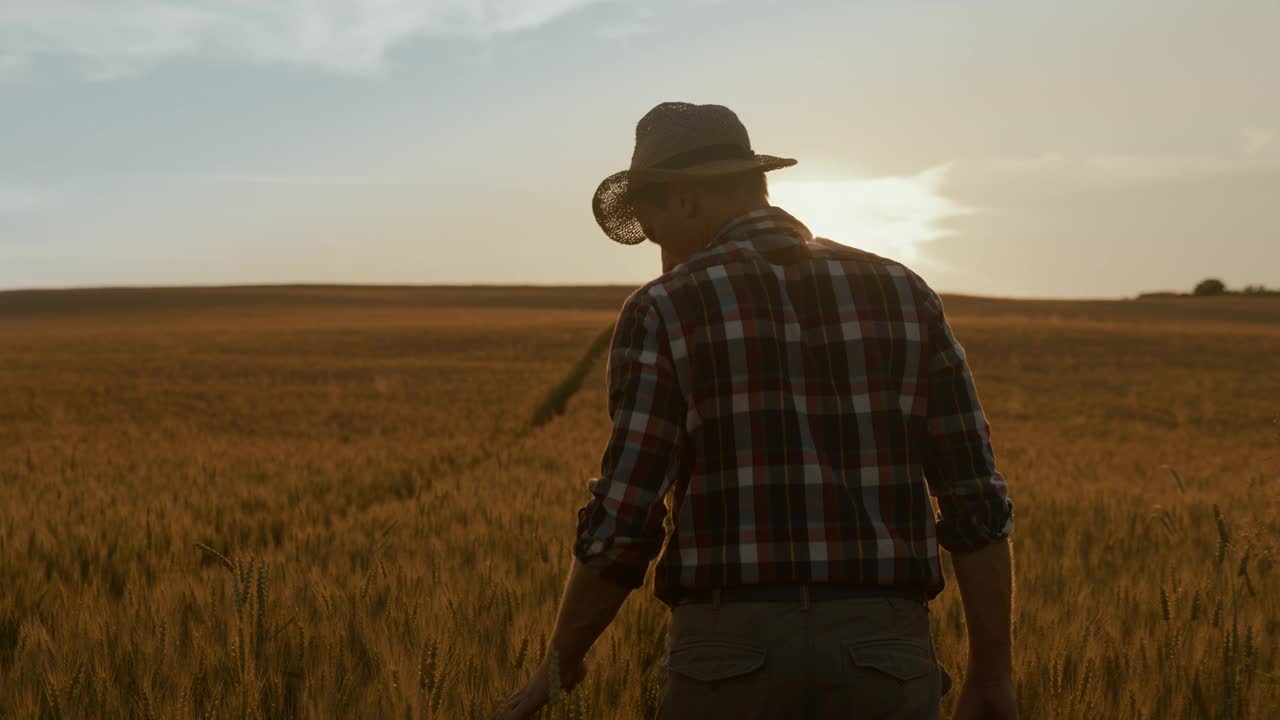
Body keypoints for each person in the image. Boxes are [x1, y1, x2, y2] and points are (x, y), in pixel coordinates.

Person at [495, 102, 1016, 720]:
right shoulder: (905, 291)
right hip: (885, 653)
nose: (660, 257)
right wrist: (991, 669)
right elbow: (974, 499)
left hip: (727, 654)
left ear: (686, 200)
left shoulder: (664, 307)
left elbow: (626, 514)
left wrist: (563, 656)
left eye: (657, 230)